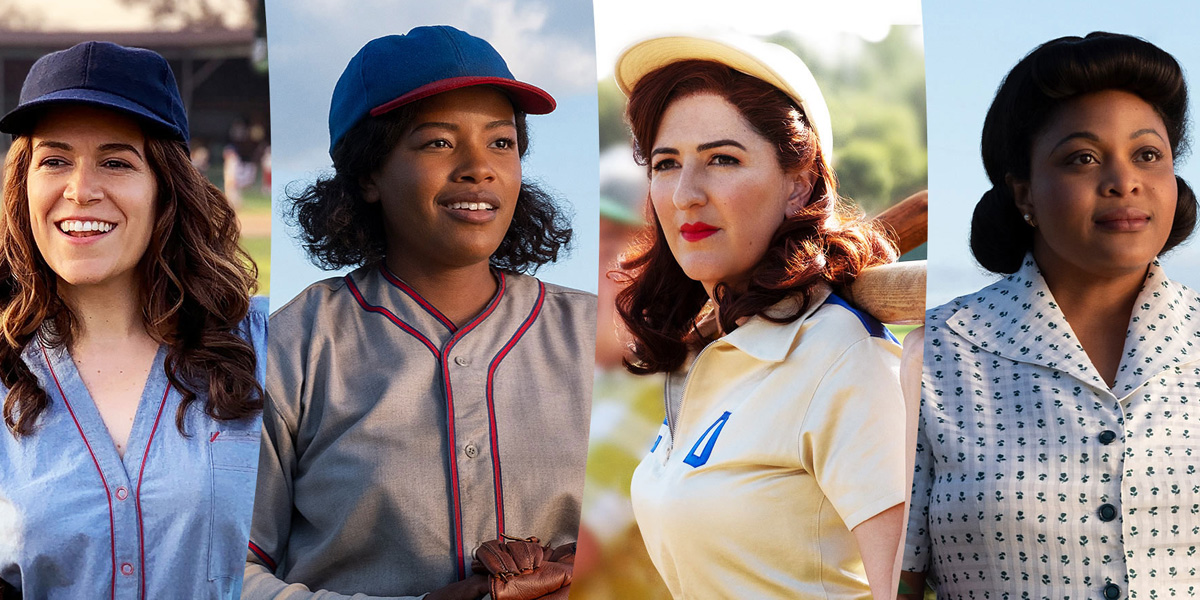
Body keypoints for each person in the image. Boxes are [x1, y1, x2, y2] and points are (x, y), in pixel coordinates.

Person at [244, 26, 595, 600]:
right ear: (368, 173)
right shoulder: (294, 346)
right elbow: (226, 571)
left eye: (501, 143)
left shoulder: (599, 337)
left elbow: (680, 536)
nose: (478, 168)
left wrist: (598, 570)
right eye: (438, 143)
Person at [901, 32, 1200, 600]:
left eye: (1147, 155)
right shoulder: (936, 357)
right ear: (1024, 194)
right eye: (1083, 158)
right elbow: (894, 579)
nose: (1124, 181)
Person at [614, 34, 908, 599]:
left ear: (798, 184)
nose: (684, 194)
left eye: (723, 159)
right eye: (666, 163)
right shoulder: (709, 347)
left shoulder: (843, 358)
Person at [0, 41, 266, 599]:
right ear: (23, 185)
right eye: (55, 160)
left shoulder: (267, 346)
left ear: (165, 187)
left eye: (117, 162)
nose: (81, 190)